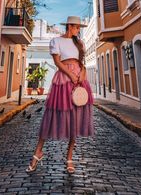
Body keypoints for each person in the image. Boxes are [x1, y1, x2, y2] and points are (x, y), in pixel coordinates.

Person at [26, 16, 94, 174]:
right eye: (77, 27)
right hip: (64, 78)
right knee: (52, 114)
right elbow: (57, 62)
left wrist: (82, 74)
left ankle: (69, 157)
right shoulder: (56, 41)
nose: (79, 30)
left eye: (79, 28)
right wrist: (70, 75)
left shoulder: (80, 43)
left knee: (75, 116)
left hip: (79, 79)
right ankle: (38, 152)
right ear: (70, 26)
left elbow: (82, 62)